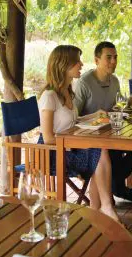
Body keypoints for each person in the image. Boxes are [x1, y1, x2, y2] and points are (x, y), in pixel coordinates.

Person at [38, 45, 119, 221]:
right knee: (98, 152)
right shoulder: (49, 96)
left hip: (70, 148)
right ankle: (103, 209)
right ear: (63, 65)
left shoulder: (67, 91)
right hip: (53, 153)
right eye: (77, 62)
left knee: (100, 149)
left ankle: (99, 211)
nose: (81, 64)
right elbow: (48, 138)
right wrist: (78, 142)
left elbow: (73, 121)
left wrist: (94, 115)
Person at [74, 41, 132, 203]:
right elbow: (73, 117)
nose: (113, 62)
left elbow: (116, 107)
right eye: (108, 58)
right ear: (96, 60)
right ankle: (117, 186)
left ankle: (115, 183)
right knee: (113, 152)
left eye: (115, 57)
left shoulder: (114, 80)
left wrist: (128, 103)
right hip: (91, 139)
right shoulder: (84, 83)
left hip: (112, 132)